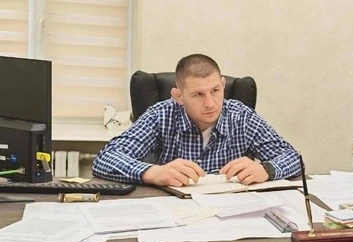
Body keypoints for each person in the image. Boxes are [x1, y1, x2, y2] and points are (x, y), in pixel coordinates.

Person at [92, 54, 300, 186]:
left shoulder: (241, 116)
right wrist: (153, 172)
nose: (210, 103)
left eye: (215, 90)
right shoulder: (160, 115)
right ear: (178, 96)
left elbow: (293, 158)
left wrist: (266, 170)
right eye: (198, 94)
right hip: (175, 213)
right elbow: (105, 159)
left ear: (222, 85)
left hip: (231, 213)